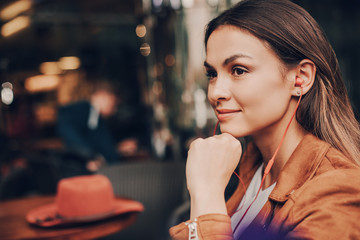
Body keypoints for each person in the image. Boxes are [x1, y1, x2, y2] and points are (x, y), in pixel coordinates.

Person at [169, 0, 360, 239]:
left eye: (239, 70)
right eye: (212, 74)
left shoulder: (337, 192)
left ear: (300, 78)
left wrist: (207, 192)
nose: (215, 92)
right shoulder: (253, 169)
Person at [57, 81, 121, 173]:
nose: (114, 109)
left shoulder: (95, 115)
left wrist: (117, 148)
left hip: (106, 170)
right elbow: (69, 133)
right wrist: (88, 157)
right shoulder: (82, 110)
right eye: (112, 103)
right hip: (89, 171)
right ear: (102, 96)